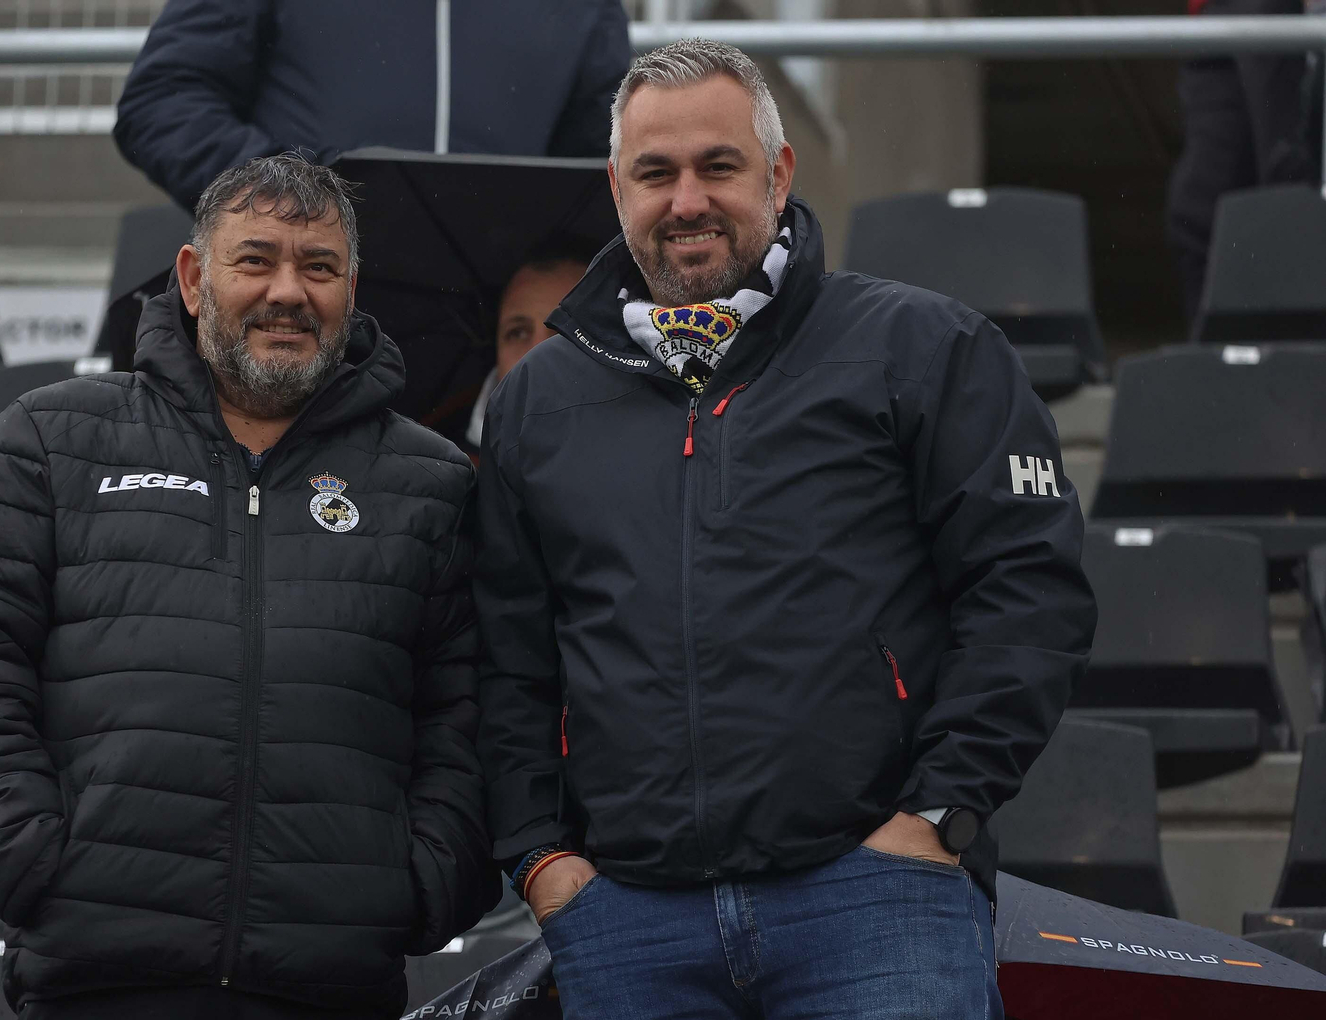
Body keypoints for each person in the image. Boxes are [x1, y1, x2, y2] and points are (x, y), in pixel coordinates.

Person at [475, 39, 1096, 1019]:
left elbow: (1028, 591)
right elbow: (506, 657)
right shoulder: (535, 400)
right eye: (655, 173)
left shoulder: (927, 347)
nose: (686, 200)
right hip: (627, 922)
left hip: (880, 902)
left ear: (778, 171)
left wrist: (940, 815)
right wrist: (542, 862)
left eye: (717, 166)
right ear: (615, 187)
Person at [0, 155, 495, 1019]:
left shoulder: (429, 481)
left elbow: (470, 717)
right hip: (95, 981)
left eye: (317, 267)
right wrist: (35, 863)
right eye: (255, 260)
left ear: (351, 290)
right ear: (191, 277)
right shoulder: (51, 441)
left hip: (331, 982)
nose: (288, 290)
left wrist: (416, 884)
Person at [112, 0, 632, 212]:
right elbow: (165, 99)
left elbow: (601, 154)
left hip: (490, 335)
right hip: (300, 310)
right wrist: (291, 202)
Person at [1166, 0, 1323, 321]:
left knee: (1287, 192)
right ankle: (1215, 362)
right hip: (1220, 12)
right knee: (1196, 212)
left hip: (1282, 11)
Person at [458, 241, 597, 458]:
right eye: (518, 332)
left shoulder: (661, 462)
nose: (537, 354)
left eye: (566, 329)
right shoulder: (444, 479)